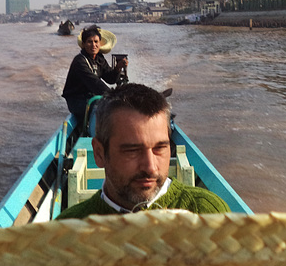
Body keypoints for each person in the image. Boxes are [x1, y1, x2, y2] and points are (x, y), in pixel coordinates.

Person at [56, 83, 230, 219]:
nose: (150, 167)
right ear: (100, 153)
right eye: (132, 151)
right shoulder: (63, 233)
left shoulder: (208, 213)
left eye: (160, 148)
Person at [62, 25, 128, 121]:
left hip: (93, 97)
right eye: (90, 42)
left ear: (100, 44)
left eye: (96, 42)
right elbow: (94, 83)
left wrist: (118, 68)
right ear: (84, 44)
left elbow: (110, 79)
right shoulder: (80, 61)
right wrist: (113, 96)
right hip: (77, 100)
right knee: (107, 110)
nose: (93, 45)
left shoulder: (99, 58)